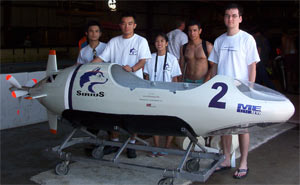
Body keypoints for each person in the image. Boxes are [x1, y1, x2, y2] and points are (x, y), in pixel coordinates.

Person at [208, 3, 260, 179]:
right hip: (222, 92)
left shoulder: (247, 39)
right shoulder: (219, 40)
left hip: (241, 91)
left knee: (242, 128)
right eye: (227, 15)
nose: (230, 19)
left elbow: (252, 66)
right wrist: (211, 88)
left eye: (234, 15)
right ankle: (226, 159)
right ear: (224, 18)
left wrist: (250, 88)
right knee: (225, 127)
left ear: (240, 18)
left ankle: (243, 163)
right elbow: (214, 67)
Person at [92, 12, 152, 158]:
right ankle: (114, 142)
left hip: (134, 84)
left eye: (130, 23)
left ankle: (131, 144)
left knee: (133, 115)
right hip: (114, 84)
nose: (127, 26)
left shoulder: (141, 41)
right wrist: (85, 68)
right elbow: (101, 58)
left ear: (134, 25)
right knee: (113, 113)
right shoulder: (114, 41)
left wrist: (132, 69)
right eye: (124, 23)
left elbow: (143, 60)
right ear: (120, 25)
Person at [143, 33, 181, 157]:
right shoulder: (150, 58)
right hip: (154, 94)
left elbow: (175, 79)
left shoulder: (172, 59)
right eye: (157, 41)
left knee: (169, 121)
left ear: (166, 43)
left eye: (162, 41)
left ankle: (167, 147)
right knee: (155, 121)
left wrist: (174, 96)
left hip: (168, 94)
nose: (159, 43)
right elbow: (147, 77)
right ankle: (156, 146)